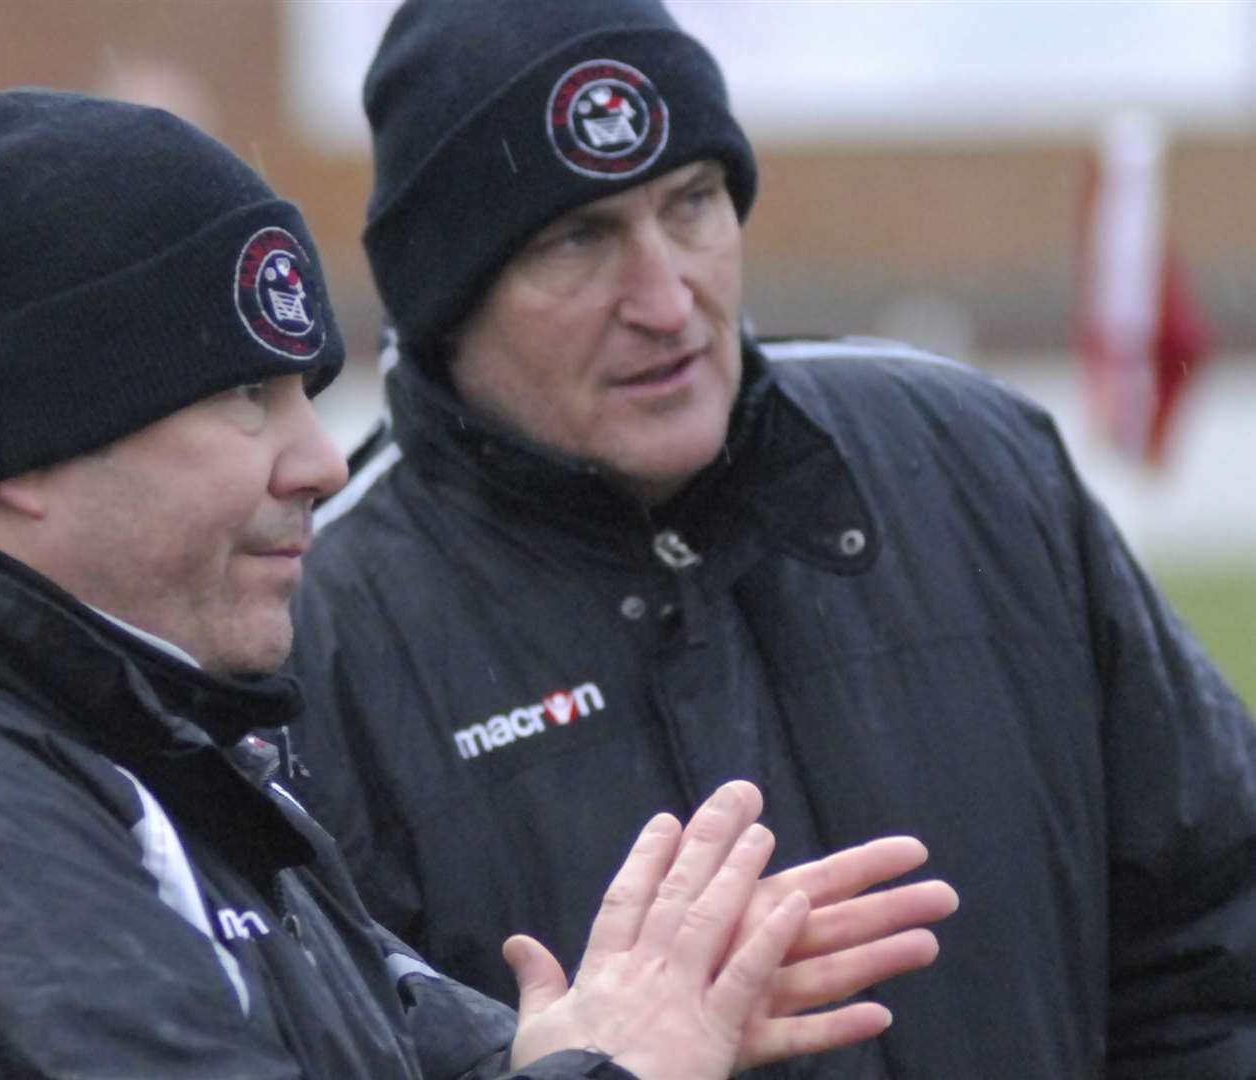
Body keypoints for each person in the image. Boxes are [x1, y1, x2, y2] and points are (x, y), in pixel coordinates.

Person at [0, 89, 956, 1080]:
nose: (320, 463)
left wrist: (548, 1045)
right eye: (244, 398)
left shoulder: (139, 743)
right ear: (24, 454)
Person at [286, 0, 1256, 1076]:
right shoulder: (317, 631)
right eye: (578, 238)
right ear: (442, 298)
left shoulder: (974, 463)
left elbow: (1214, 949)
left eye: (691, 203)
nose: (666, 298)